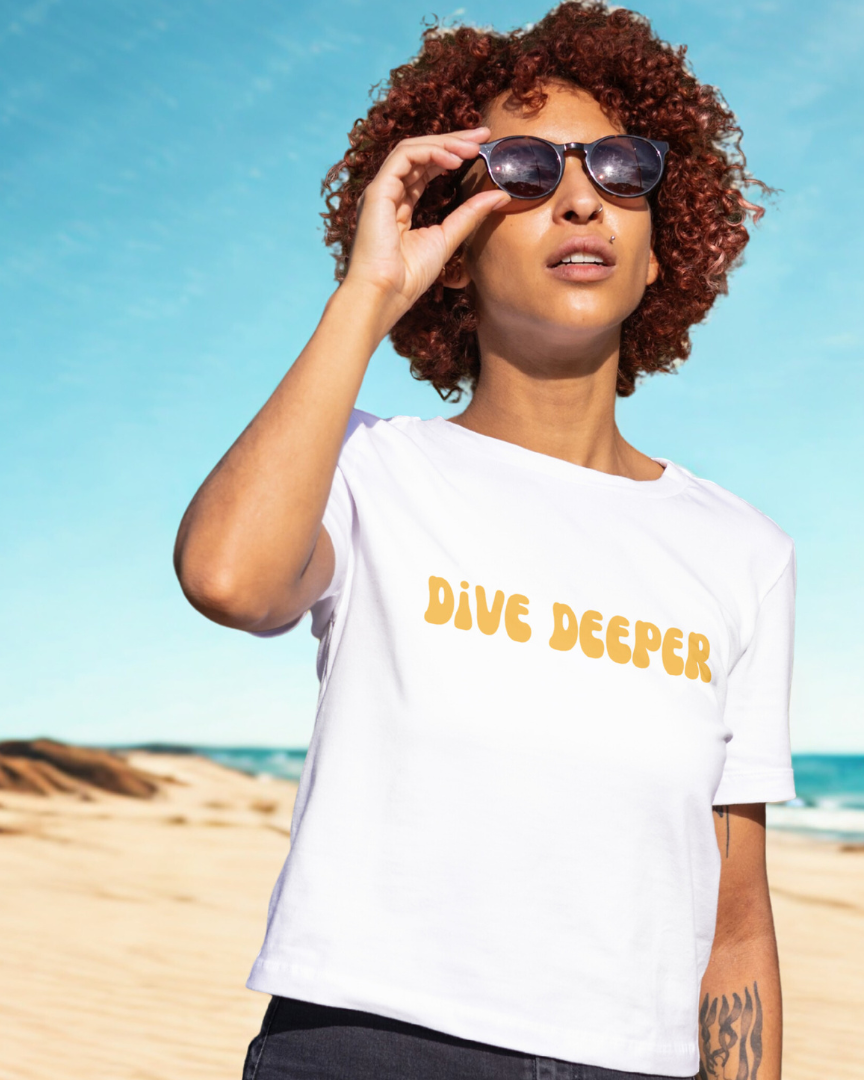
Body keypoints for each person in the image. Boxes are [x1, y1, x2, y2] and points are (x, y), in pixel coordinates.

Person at [173, 3, 796, 1078]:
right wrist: (369, 293)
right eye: (524, 171)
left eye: (620, 168)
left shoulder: (743, 551)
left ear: (660, 252)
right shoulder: (369, 468)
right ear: (454, 252)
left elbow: (735, 924)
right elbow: (229, 578)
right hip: (372, 1047)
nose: (581, 199)